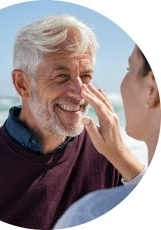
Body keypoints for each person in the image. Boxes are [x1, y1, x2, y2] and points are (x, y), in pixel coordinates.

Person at [0, 15, 144, 230]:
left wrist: (122, 157)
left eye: (86, 76)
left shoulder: (108, 154)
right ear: (22, 84)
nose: (79, 93)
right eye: (61, 77)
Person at [54, 45, 160, 229]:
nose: (78, 89)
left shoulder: (88, 215)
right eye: (61, 77)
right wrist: (118, 154)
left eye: (129, 69)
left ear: (151, 89)